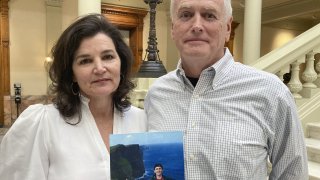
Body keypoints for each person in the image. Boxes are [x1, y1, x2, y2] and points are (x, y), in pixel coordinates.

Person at [144, 0, 308, 179]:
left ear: (228, 28)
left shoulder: (271, 92)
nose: (197, 25)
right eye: (186, 15)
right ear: (173, 28)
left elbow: (293, 173)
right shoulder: (156, 94)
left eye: (209, 15)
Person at [0, 14, 146, 180]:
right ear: (72, 74)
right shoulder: (43, 124)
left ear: (121, 63)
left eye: (108, 57)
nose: (99, 68)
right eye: (85, 61)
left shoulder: (142, 120)